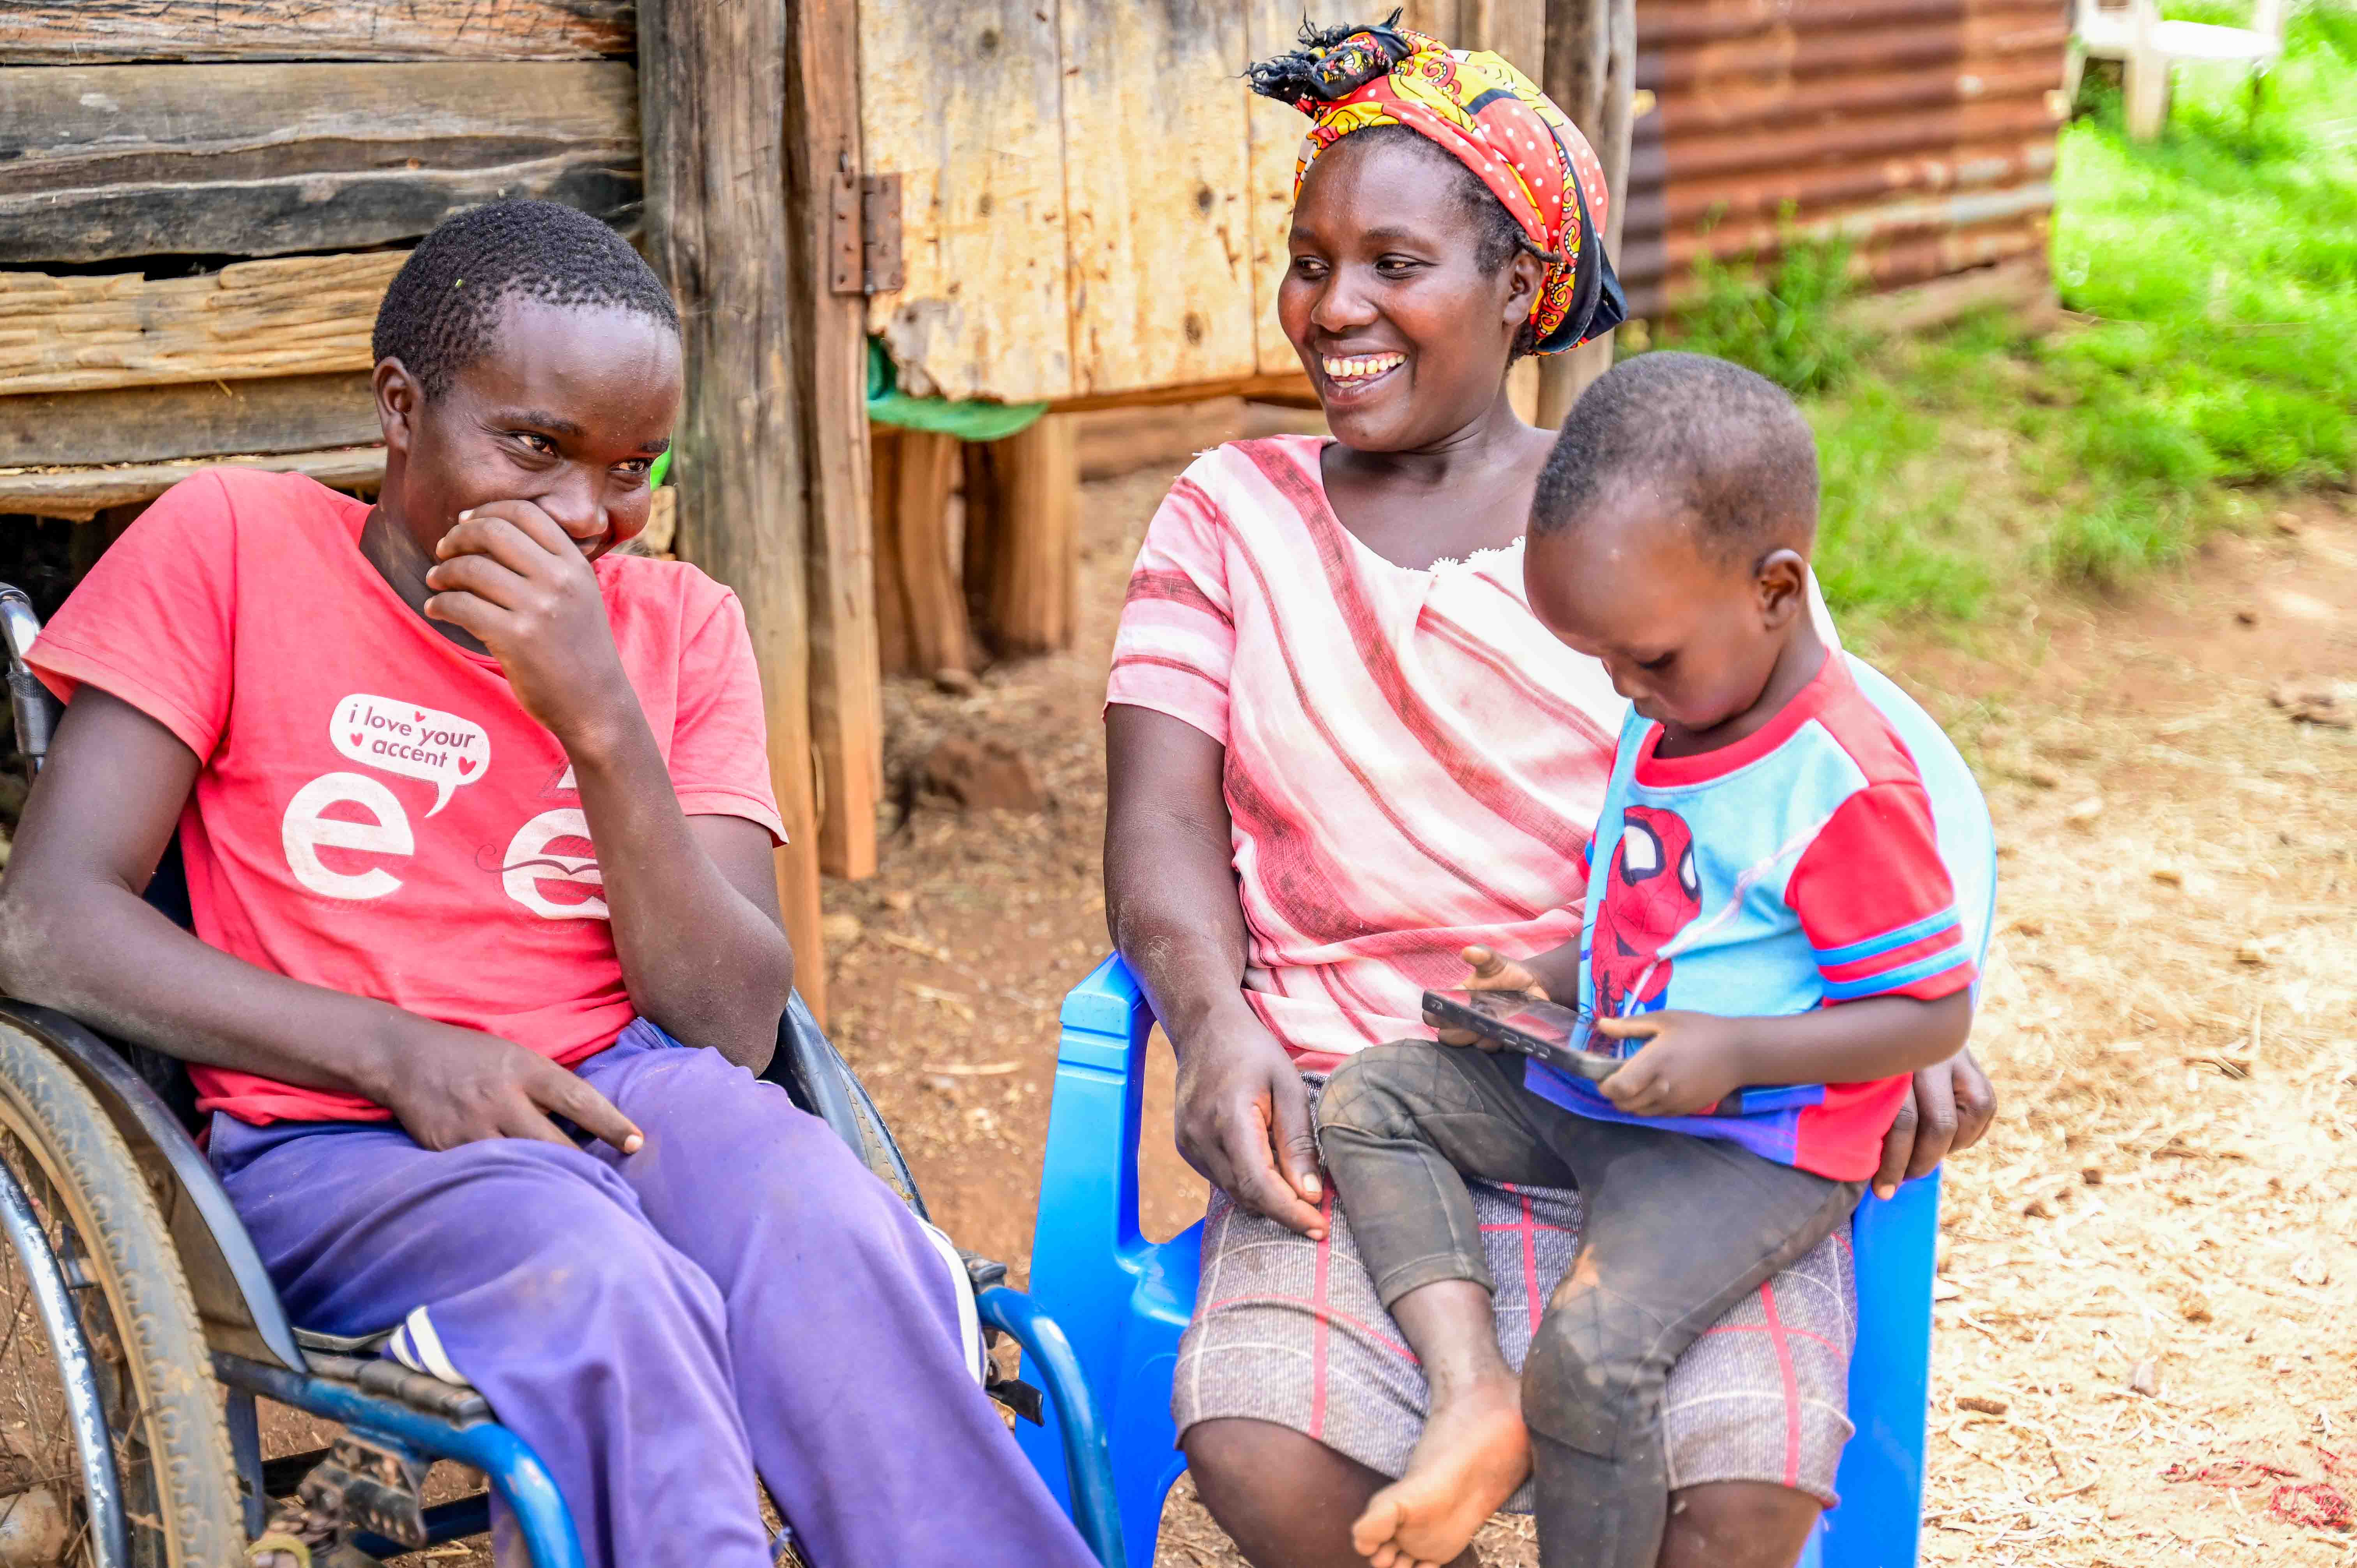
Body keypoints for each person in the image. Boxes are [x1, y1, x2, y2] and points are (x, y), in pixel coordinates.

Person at [0, 200, 1098, 1568]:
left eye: (634, 467)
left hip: (632, 1085)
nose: (589, 515)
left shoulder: (679, 626)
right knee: (601, 1289)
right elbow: (45, 923)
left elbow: (735, 1021)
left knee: (824, 1234)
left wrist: (599, 718)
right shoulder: (235, 548)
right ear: (402, 409)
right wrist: (404, 1054)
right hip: (335, 1138)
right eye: (534, 447)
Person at [1103, 20, 1997, 1568]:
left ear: (1519, 289)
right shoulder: (1225, 516)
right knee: (1267, 1456)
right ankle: (1463, 1396)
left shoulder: (1655, 518)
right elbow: (1159, 823)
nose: (1337, 307)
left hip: (1689, 1117)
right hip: (1358, 1106)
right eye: (1310, 261)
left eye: (1396, 261)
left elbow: (1847, 799)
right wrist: (1216, 1014)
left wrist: (1894, 1020)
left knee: (1732, 1500)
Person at [1316, 352, 1980, 1568]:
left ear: (1777, 591)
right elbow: (1670, 919)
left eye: (1649, 660)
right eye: (1603, 662)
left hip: (1750, 1144)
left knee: (1591, 1354)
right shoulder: (1675, 710)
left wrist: (1734, 1054)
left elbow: (1933, 1011)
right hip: (1609, 1087)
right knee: (1368, 1097)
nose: (1625, 690)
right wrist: (1551, 975)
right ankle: (1475, 1390)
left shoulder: (1840, 785)